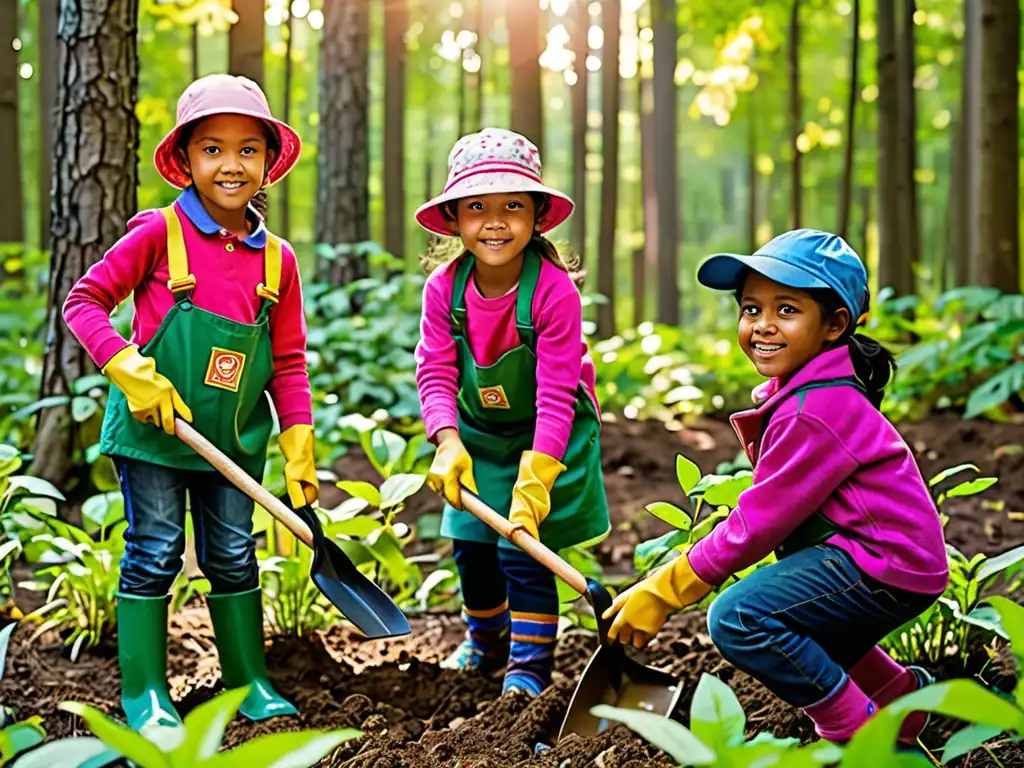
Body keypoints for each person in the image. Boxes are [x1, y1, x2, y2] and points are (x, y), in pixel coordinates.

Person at [603, 229, 949, 746]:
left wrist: (667, 589)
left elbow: (757, 523)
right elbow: (767, 507)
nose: (762, 326)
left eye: (786, 310)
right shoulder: (806, 391)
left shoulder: (816, 409)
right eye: (750, 309)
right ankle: (901, 703)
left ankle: (858, 734)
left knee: (741, 617)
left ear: (834, 324)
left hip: (885, 563)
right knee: (804, 611)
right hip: (885, 557)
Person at [63, 74, 317, 729]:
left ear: (267, 161)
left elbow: (286, 360)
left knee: (234, 553)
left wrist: (297, 438)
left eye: (247, 150)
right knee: (155, 552)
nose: (231, 164)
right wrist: (127, 368)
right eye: (212, 148)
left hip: (230, 437)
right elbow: (83, 302)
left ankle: (248, 682)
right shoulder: (159, 234)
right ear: (186, 158)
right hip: (154, 433)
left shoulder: (277, 261)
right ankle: (145, 694)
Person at [414, 128, 610, 696]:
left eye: (512, 206)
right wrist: (447, 441)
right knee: (473, 549)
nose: (495, 221)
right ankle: (486, 638)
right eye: (477, 206)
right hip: (476, 433)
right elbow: (436, 373)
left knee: (521, 552)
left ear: (536, 216)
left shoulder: (553, 293)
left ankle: (527, 672)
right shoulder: (442, 290)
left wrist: (538, 477)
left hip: (548, 436)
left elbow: (555, 396)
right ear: (453, 217)